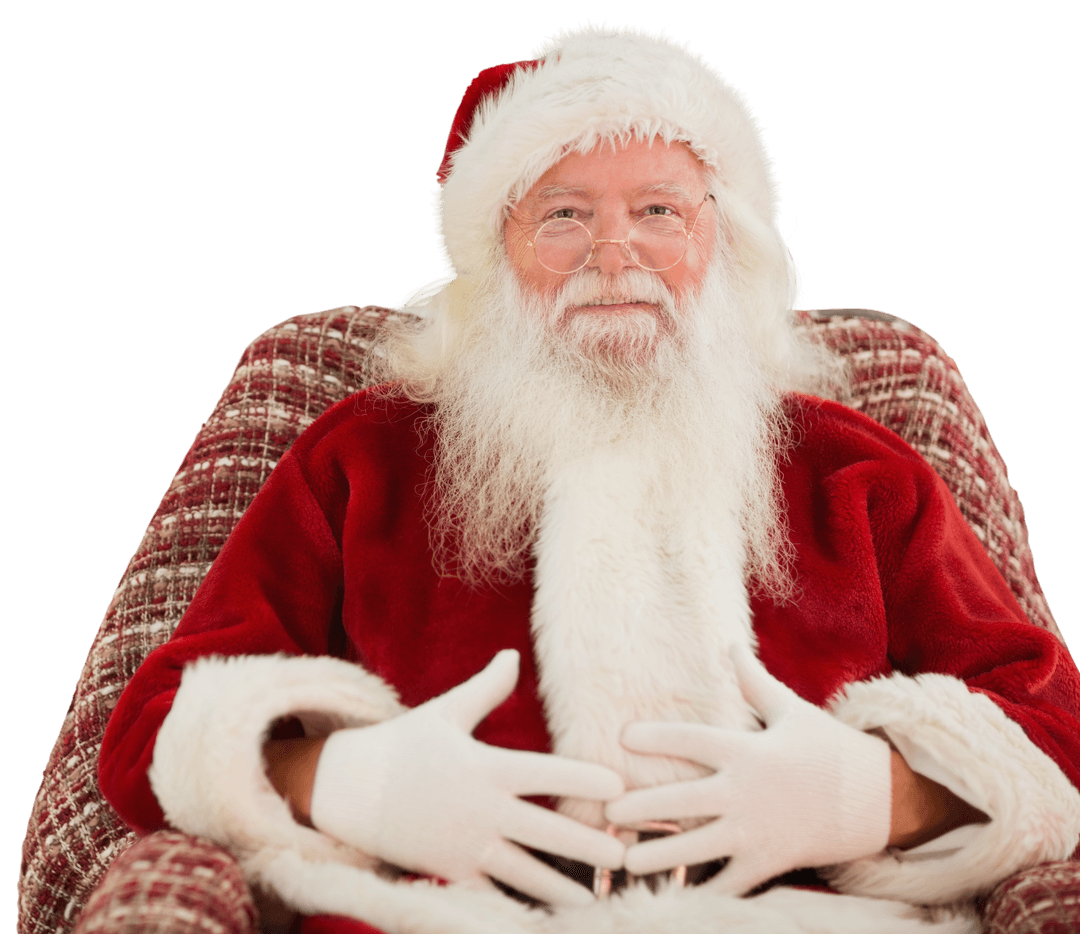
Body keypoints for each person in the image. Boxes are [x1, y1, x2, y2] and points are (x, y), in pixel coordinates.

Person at [98, 23, 1080, 934]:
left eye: (658, 211)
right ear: (498, 251)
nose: (614, 255)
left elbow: (1056, 730)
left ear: (723, 242)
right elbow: (150, 740)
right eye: (563, 215)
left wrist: (872, 798)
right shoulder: (364, 457)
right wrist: (351, 782)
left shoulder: (852, 471)